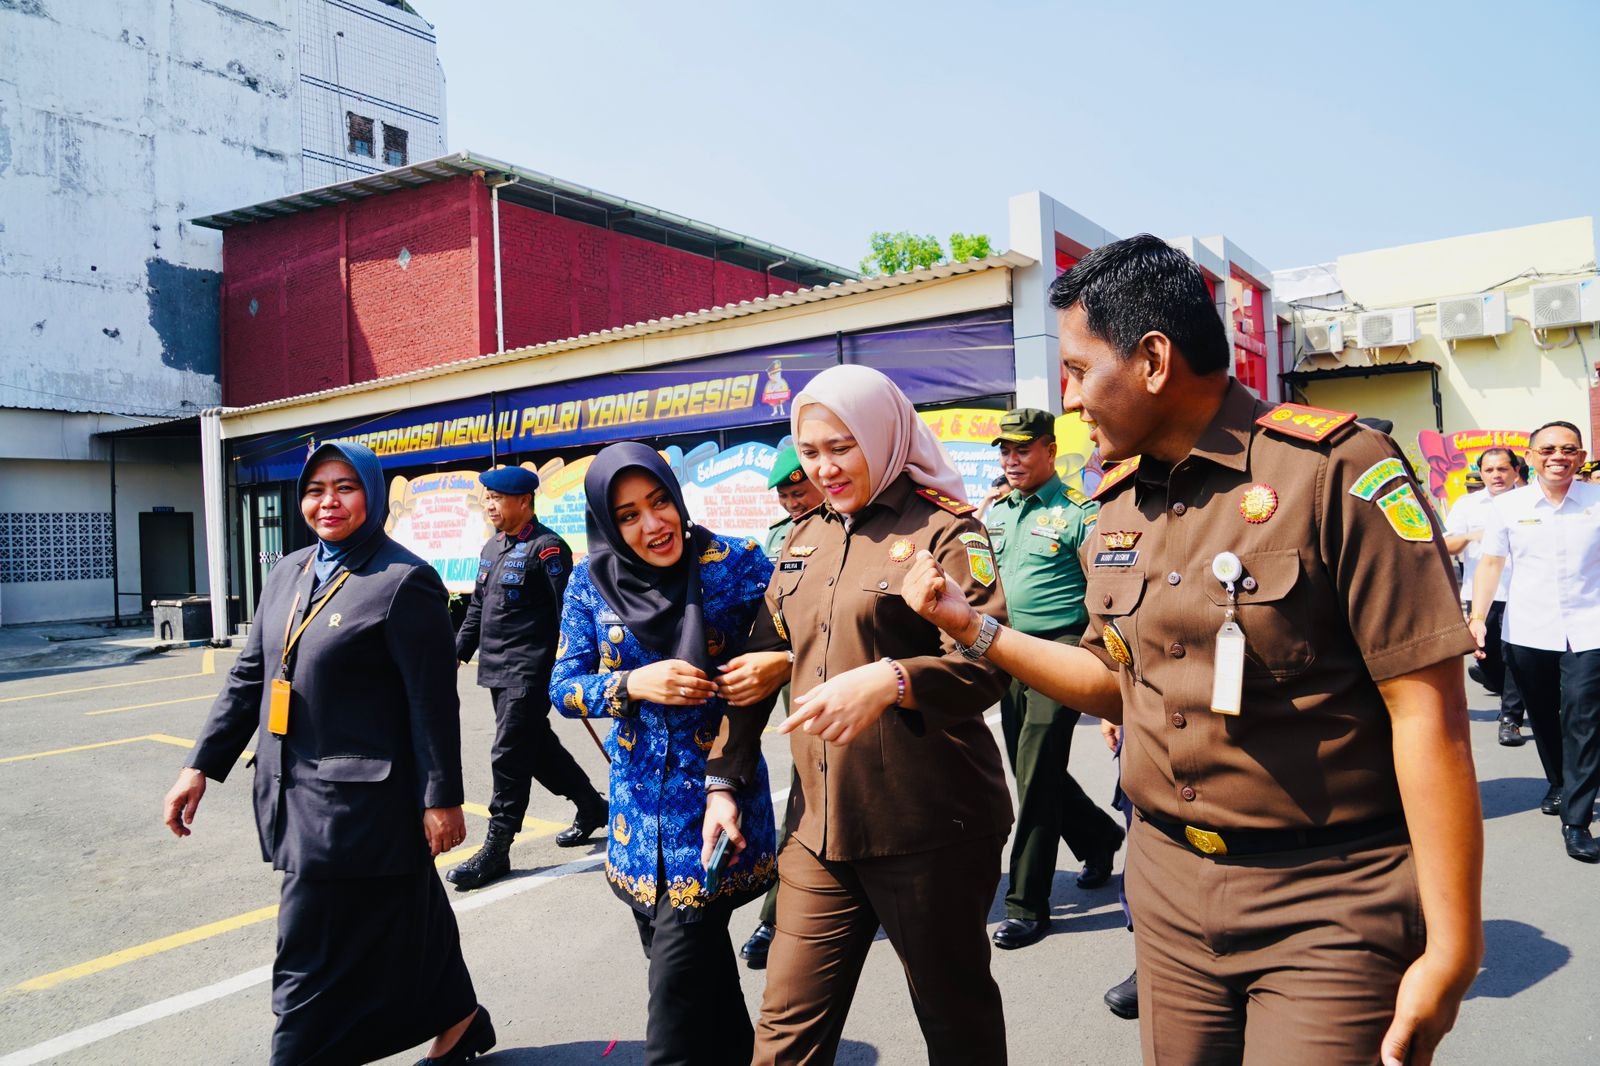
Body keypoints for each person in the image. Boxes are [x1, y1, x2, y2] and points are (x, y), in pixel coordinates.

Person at [902, 235, 1482, 1066]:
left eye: (1075, 368)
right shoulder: (1116, 501)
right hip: (1168, 890)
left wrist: (1453, 948)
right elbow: (1117, 685)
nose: (1066, 400)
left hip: (1327, 902)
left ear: (1152, 359)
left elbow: (1429, 717)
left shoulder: (1334, 471)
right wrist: (975, 629)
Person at [162, 442, 494, 1066]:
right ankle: (460, 1019)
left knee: (305, 952)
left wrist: (442, 799)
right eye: (316, 489)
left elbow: (431, 702)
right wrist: (200, 765)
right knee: (410, 910)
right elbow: (250, 676)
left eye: (345, 487)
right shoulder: (287, 571)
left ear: (371, 492)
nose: (328, 502)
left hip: (356, 807)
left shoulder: (402, 580)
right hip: (292, 791)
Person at [734, 363, 1014, 1066]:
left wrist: (893, 679)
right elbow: (763, 654)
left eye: (841, 447)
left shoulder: (945, 532)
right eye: (811, 451)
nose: (823, 468)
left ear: (881, 435)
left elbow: (985, 665)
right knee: (784, 1035)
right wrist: (719, 778)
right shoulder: (801, 539)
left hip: (928, 827)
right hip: (820, 828)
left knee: (955, 1021)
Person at [551, 441, 783, 1065]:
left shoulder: (732, 565)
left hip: (712, 809)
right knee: (700, 976)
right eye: (628, 514)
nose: (653, 525)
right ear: (608, 523)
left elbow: (814, 638)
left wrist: (776, 665)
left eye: (659, 502)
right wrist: (629, 684)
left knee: (673, 1006)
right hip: (635, 822)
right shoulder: (588, 583)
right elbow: (562, 685)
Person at [985, 406, 1124, 951]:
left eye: (1023, 449)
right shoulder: (995, 513)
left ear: (1048, 450)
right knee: (1029, 769)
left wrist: (1106, 662)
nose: (1012, 460)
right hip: (1007, 649)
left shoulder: (1078, 512)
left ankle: (1027, 902)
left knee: (1038, 773)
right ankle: (1099, 836)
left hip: (1062, 649)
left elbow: (1104, 589)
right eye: (1005, 450)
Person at [449, 464, 608, 891]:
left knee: (508, 753)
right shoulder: (491, 548)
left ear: (524, 501)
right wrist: (455, 656)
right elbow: (477, 611)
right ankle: (592, 806)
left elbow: (567, 614)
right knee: (535, 749)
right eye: (487, 498)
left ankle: (498, 846)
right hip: (497, 671)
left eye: (497, 498)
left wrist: (575, 666)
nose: (490, 506)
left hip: (531, 671)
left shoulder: (548, 549)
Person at [1470, 421, 1600, 861]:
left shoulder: (1597, 501)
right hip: (1528, 628)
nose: (1557, 456)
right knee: (1543, 715)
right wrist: (1477, 618)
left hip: (1589, 628)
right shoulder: (1509, 508)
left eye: (1568, 449)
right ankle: (1560, 784)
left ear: (1581, 457)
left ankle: (1576, 820)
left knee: (1583, 717)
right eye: (1547, 449)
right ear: (1531, 456)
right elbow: (1490, 564)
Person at [742, 443, 823, 968]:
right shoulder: (776, 538)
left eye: (800, 490)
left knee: (806, 788)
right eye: (786, 495)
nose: (794, 501)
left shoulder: (846, 527)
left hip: (831, 671)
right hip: (782, 668)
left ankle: (774, 918)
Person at [1443, 447, 1527, 746]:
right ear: (1482, 474)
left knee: (1515, 657)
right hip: (1483, 594)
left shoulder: (1530, 502)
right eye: (1489, 470)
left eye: (1502, 469)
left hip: (1523, 592)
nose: (1496, 475)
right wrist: (1470, 536)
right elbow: (1446, 545)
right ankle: (1503, 688)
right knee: (1489, 658)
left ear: (1516, 471)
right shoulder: (1467, 505)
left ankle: (1510, 718)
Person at [762, 444, 823, 562]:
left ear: (820, 486)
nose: (791, 504)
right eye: (783, 496)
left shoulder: (841, 526)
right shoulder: (777, 534)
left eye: (799, 494)